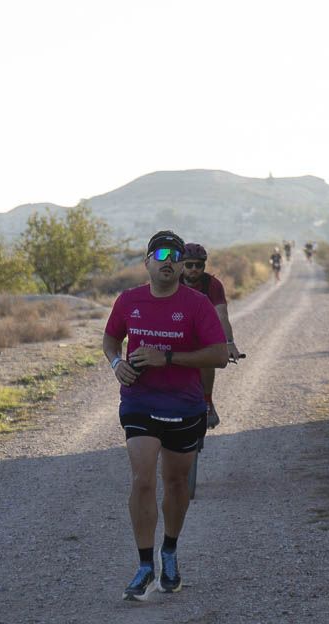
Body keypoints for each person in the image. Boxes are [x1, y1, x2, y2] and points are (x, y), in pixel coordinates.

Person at [103, 230, 229, 600]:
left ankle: (169, 551)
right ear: (147, 262)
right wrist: (116, 364)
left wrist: (169, 358)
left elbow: (219, 354)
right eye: (160, 254)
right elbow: (111, 339)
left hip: (184, 405)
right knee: (143, 479)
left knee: (175, 484)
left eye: (174, 255)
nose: (168, 260)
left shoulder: (196, 304)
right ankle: (144, 564)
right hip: (140, 401)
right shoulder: (129, 301)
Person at [179, 242, 242, 429]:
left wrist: (229, 343)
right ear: (181, 264)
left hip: (201, 331)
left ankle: (207, 402)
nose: (194, 269)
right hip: (176, 330)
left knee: (206, 357)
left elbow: (222, 315)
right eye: (189, 265)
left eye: (199, 265)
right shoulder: (172, 282)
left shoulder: (212, 284)